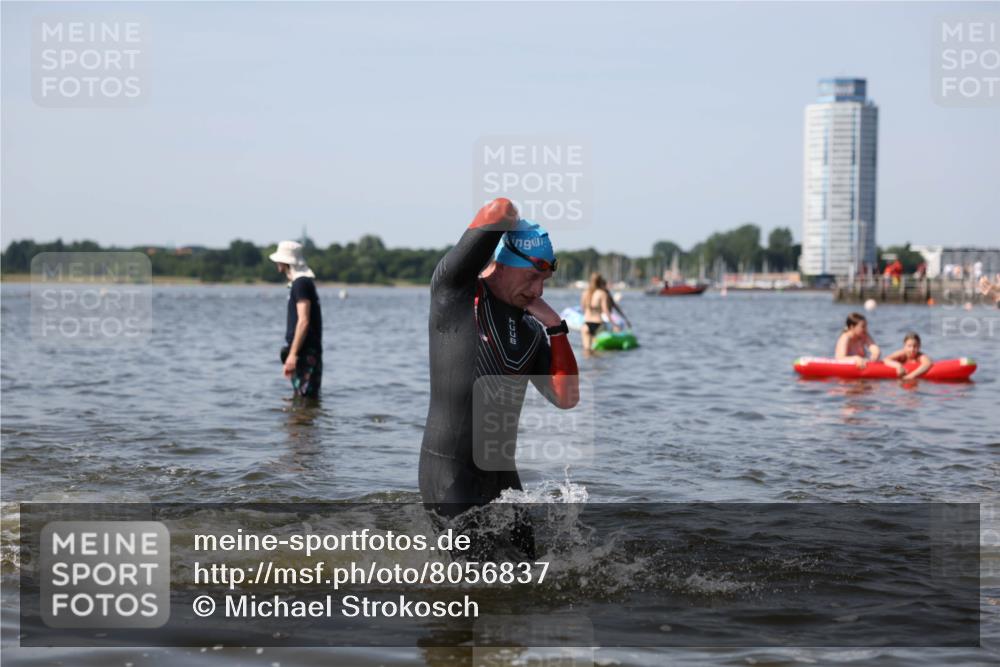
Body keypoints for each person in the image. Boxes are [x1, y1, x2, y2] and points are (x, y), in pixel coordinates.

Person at [419, 198, 579, 528]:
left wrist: (556, 329)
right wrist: (519, 228)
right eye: (533, 276)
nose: (537, 291)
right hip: (451, 476)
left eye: (544, 282)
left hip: (502, 481)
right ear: (503, 264)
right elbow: (500, 209)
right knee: (472, 579)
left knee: (532, 575)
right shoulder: (455, 293)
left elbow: (566, 398)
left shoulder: (533, 330)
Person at [270, 240, 323, 399]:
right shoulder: (301, 283)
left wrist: (293, 354)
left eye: (279, 260)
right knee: (303, 402)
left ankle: (302, 423)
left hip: (305, 353)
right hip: (305, 352)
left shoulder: (301, 284)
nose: (277, 263)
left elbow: (304, 321)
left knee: (304, 400)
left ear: (286, 262)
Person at [579, 273, 631, 355]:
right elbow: (606, 311)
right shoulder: (602, 293)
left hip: (586, 325)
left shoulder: (585, 293)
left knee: (587, 351)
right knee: (598, 352)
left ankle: (587, 367)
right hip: (598, 325)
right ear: (601, 282)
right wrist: (614, 324)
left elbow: (582, 308)